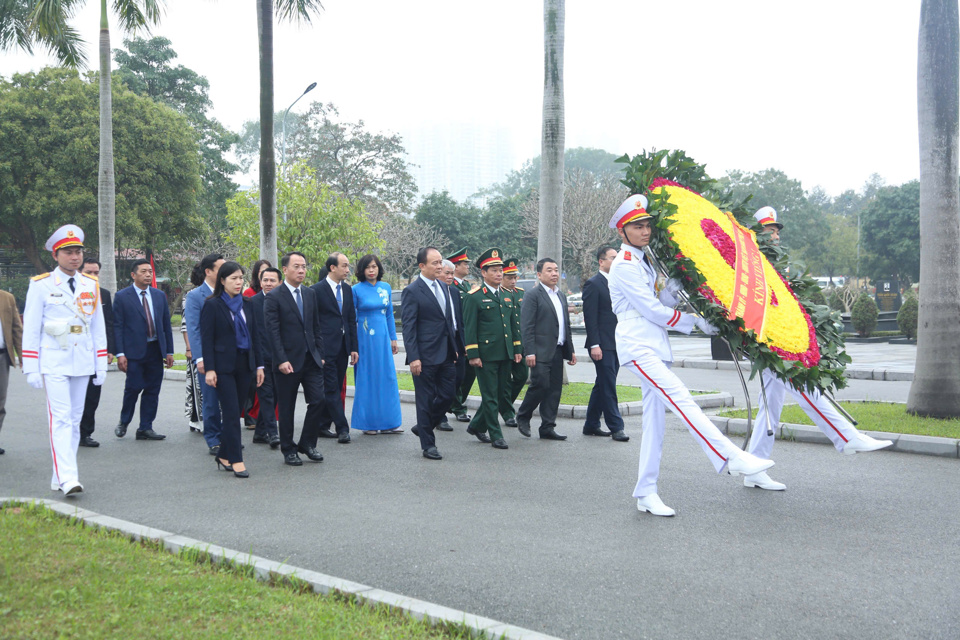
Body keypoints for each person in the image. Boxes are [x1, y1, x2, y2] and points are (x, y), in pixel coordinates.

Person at [607, 194, 775, 517]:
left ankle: (646, 491)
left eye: (647, 226)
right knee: (681, 396)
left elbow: (660, 302)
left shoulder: (644, 260)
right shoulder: (624, 266)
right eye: (637, 226)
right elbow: (652, 311)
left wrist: (674, 288)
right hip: (637, 345)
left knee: (655, 423)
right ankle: (730, 457)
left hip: (651, 344)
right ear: (622, 232)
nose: (645, 231)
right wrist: (696, 322)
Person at [743, 207, 892, 491]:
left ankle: (755, 466)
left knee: (770, 407)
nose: (775, 235)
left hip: (779, 337)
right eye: (769, 230)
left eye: (776, 231)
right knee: (802, 385)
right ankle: (845, 435)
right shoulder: (753, 263)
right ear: (757, 233)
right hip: (768, 342)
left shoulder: (776, 263)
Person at [22, 224, 107, 495]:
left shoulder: (90, 284)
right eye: (68, 252)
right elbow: (32, 328)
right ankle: (69, 477)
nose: (75, 257)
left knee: (73, 418)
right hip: (54, 361)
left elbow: (97, 327)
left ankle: (60, 476)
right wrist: (31, 367)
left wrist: (101, 362)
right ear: (55, 256)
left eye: (78, 252)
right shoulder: (41, 285)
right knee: (59, 418)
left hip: (82, 360)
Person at [201, 262, 265, 478]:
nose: (238, 283)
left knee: (235, 412)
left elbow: (255, 336)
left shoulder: (248, 304)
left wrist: (259, 365)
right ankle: (237, 459)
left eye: (240, 278)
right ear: (222, 281)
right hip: (223, 367)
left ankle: (224, 454)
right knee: (229, 413)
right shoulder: (212, 305)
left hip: (245, 365)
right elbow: (206, 340)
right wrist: (210, 369)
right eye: (233, 279)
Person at [263, 251, 326, 466]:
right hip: (286, 362)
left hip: (311, 359)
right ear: (286, 270)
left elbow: (315, 327)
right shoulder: (274, 296)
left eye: (304, 266)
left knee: (319, 400)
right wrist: (280, 360)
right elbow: (273, 332)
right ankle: (288, 449)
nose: (301, 270)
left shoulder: (310, 294)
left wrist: (320, 353)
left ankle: (307, 443)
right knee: (287, 407)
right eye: (297, 266)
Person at [401, 247, 460, 460]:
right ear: (422, 266)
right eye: (435, 263)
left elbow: (448, 322)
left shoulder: (444, 288)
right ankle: (428, 445)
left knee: (448, 395)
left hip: (446, 354)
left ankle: (424, 425)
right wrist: (414, 357)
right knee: (425, 400)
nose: (440, 266)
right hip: (424, 356)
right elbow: (409, 326)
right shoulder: (412, 291)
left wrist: (454, 349)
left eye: (440, 262)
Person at [462, 248, 521, 450]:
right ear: (483, 273)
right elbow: (469, 328)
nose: (499, 274)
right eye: (494, 270)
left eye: (500, 270)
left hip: (505, 353)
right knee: (489, 395)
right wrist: (473, 354)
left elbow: (513, 325)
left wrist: (517, 349)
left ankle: (477, 425)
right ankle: (496, 434)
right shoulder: (474, 296)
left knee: (498, 394)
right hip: (485, 356)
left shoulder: (507, 295)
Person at [113, 259, 175, 441]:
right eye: (144, 272)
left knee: (153, 390)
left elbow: (165, 325)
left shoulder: (159, 295)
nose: (148, 275)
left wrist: (169, 351)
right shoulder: (122, 297)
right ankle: (124, 422)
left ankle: (145, 428)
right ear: (133, 275)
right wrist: (120, 353)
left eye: (150, 271)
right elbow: (118, 326)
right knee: (133, 388)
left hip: (155, 350)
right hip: (134, 352)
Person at [514, 258, 575, 441]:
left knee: (554, 390)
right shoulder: (533, 295)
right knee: (540, 385)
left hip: (557, 349)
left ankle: (547, 427)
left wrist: (570, 350)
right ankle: (523, 415)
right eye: (549, 270)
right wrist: (529, 352)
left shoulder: (561, 295)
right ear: (539, 274)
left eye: (556, 270)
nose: (554, 273)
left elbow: (566, 325)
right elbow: (527, 326)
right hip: (539, 351)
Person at [310, 252, 359, 444]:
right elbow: (313, 322)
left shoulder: (347, 290)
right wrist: (317, 349)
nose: (348, 270)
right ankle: (342, 428)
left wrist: (353, 347)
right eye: (344, 266)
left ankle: (323, 424)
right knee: (330, 388)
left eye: (348, 266)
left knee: (336, 386)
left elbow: (350, 320)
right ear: (332, 268)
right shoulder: (316, 290)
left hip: (343, 347)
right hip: (325, 347)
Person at [581, 246, 629, 442]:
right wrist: (595, 345)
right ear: (601, 262)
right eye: (612, 258)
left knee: (602, 384)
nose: (616, 261)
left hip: (617, 341)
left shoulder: (619, 283)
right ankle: (616, 427)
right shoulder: (594, 284)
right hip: (602, 344)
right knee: (608, 385)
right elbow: (590, 318)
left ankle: (591, 424)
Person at [351, 254, 403, 434]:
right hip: (365, 338)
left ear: (379, 269)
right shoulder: (356, 290)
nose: (371, 270)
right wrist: (353, 345)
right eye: (367, 267)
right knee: (367, 378)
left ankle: (390, 422)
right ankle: (369, 424)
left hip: (383, 337)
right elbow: (352, 317)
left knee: (387, 377)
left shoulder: (386, 287)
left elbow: (389, 314)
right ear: (361, 270)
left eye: (374, 266)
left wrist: (393, 338)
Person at [185, 253, 225, 455]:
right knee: (210, 400)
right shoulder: (194, 296)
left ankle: (228, 436)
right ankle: (213, 439)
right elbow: (193, 329)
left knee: (229, 399)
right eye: (221, 269)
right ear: (208, 271)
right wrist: (200, 358)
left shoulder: (230, 293)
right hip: (208, 357)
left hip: (228, 356)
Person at [77, 258, 115, 448]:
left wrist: (110, 350)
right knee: (75, 396)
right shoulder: (72, 291)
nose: (93, 276)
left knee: (92, 395)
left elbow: (109, 324)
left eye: (96, 273)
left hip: (96, 354)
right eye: (88, 272)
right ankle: (70, 433)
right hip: (75, 353)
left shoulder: (104, 295)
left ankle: (85, 433)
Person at [248, 267, 282, 448]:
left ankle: (260, 433)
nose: (269, 284)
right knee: (267, 395)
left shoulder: (284, 301)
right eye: (265, 280)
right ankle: (272, 433)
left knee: (275, 395)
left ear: (279, 282)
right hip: (260, 359)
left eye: (272, 280)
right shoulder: (251, 302)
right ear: (260, 282)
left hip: (280, 357)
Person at [434, 259, 463, 432]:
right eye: (447, 273)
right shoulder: (434, 293)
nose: (450, 276)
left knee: (458, 378)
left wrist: (464, 345)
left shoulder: (454, 292)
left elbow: (459, 320)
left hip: (456, 341)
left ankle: (442, 409)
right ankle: (440, 417)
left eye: (452, 273)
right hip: (440, 343)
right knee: (441, 382)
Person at [447, 247, 474, 423]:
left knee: (468, 374)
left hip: (468, 334)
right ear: (456, 267)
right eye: (465, 264)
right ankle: (456, 406)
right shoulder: (451, 285)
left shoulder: (465, 285)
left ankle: (456, 402)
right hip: (455, 336)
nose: (467, 267)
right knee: (457, 374)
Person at [499, 258, 526, 428]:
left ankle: (504, 404)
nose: (513, 281)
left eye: (515, 277)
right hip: (504, 345)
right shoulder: (498, 294)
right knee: (504, 380)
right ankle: (508, 413)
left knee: (522, 376)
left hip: (521, 344)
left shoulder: (521, 293)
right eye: (509, 278)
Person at [0, 285, 23, 455]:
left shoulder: (7, 297)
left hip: (2, 357)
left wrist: (24, 357)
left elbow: (17, 328)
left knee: (0, 402)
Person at [182, 263, 204, 434]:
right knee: (197, 387)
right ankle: (196, 419)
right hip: (196, 348)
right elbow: (186, 325)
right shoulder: (191, 295)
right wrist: (190, 349)